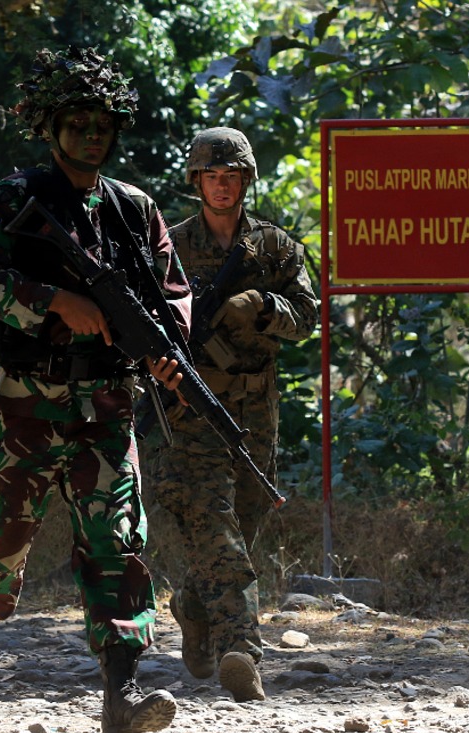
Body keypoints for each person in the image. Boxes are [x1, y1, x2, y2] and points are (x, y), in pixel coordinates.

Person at [0, 46, 190, 733]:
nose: (92, 135)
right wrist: (53, 301)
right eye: (77, 123)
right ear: (51, 128)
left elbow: (172, 297)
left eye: (103, 124)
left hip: (108, 410)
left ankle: (122, 696)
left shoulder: (134, 209)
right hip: (25, 406)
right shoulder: (13, 198)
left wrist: (168, 354)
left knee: (119, 547)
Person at [144, 127, 319, 702]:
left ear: (246, 179)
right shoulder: (168, 246)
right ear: (197, 181)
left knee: (242, 527)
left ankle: (194, 607)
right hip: (189, 412)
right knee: (218, 536)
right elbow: (140, 320)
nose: (223, 185)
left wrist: (265, 305)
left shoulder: (275, 248)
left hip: (253, 411)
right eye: (213, 175)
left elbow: (308, 316)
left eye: (233, 175)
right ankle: (241, 651)